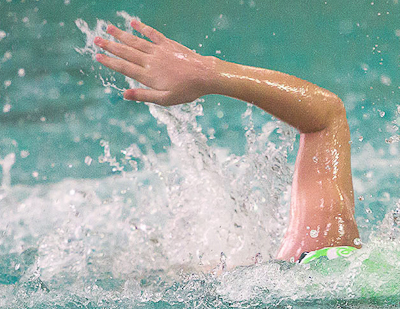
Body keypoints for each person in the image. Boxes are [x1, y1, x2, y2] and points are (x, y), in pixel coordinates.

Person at [93, 19, 359, 263]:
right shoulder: (332, 269)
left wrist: (207, 72)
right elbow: (326, 119)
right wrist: (205, 72)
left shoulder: (329, 267)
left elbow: (327, 117)